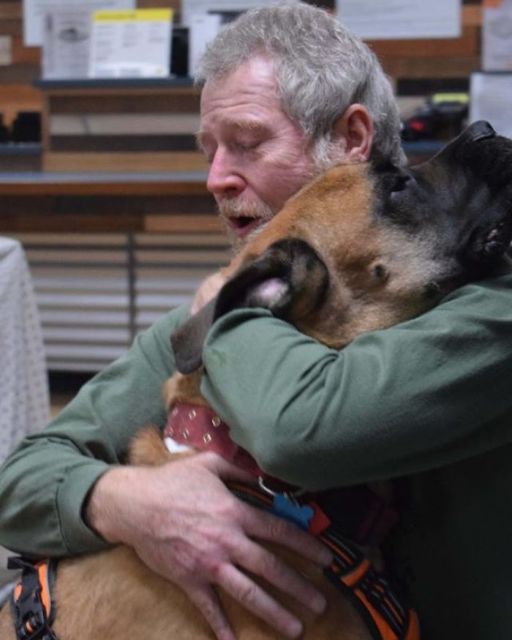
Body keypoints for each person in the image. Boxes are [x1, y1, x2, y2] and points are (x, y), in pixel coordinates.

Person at [0, 3, 510, 640]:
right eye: (209, 151)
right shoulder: (218, 316)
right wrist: (126, 501)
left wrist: (228, 308)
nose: (215, 179)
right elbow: (21, 479)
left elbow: (305, 429)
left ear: (352, 140)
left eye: (247, 142)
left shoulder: (488, 300)